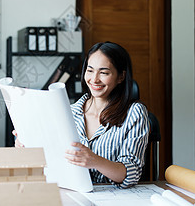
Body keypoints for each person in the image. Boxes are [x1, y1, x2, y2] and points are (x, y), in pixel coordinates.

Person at [14, 41, 150, 188]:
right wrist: (27, 146)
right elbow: (50, 162)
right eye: (90, 70)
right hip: (70, 192)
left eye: (104, 72)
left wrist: (95, 161)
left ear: (121, 77)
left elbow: (131, 174)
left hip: (113, 197)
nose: (94, 79)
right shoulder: (68, 112)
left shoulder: (134, 113)